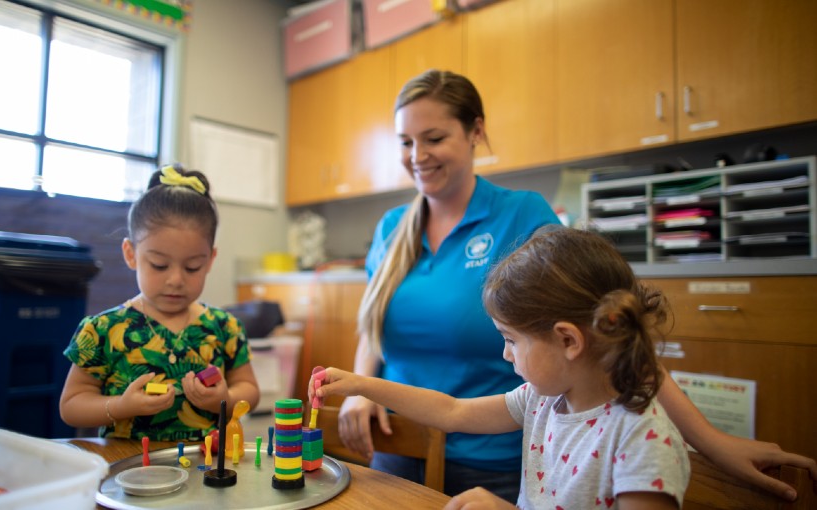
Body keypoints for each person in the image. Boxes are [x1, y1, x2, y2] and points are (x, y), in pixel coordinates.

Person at [339, 68, 817, 502]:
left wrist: (708, 440)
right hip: (397, 441)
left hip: (494, 457)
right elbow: (374, 327)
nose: (417, 156)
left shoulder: (522, 215)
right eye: (404, 142)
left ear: (475, 131)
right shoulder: (391, 227)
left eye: (434, 137)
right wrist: (364, 389)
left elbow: (611, 324)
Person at [314, 227, 692, 509]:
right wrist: (363, 385)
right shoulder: (543, 401)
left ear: (568, 341)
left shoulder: (642, 439)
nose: (506, 355)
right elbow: (450, 411)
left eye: (511, 339)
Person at [59, 164, 259, 441]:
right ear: (131, 254)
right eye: (159, 265)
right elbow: (70, 407)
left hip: (209, 468)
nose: (176, 279)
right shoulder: (104, 329)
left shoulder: (224, 326)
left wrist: (224, 399)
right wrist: (121, 406)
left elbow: (249, 389)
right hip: (129, 470)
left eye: (192, 267)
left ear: (210, 260)